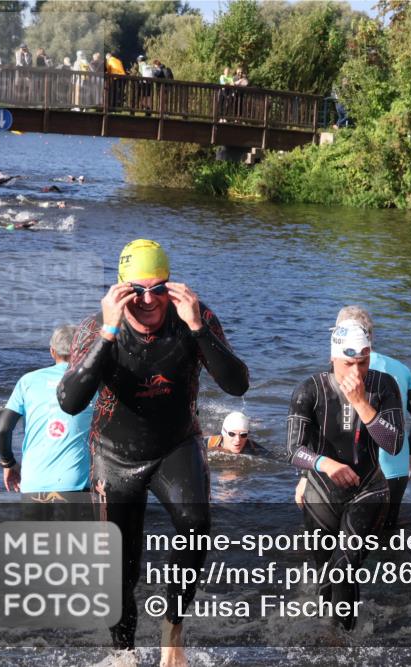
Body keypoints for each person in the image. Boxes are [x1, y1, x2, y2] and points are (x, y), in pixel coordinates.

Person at [58, 239, 249, 664]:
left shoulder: (194, 319)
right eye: (135, 291)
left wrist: (198, 327)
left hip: (176, 444)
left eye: (158, 288)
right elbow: (70, 401)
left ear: (172, 287)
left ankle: (172, 635)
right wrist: (108, 332)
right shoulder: (97, 326)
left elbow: (237, 384)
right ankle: (124, 651)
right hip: (114, 455)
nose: (147, 301)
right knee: (119, 565)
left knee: (196, 521)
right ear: (119, 290)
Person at [286, 319, 404, 629]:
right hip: (322, 491)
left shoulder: (383, 385)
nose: (356, 372)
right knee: (326, 572)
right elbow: (293, 450)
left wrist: (362, 403)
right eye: (348, 363)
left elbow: (393, 444)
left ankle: (343, 644)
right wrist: (326, 464)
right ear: (333, 358)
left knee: (344, 566)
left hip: (369, 488)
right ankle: (330, 633)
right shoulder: (309, 390)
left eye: (362, 363)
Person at [295, 306, 411, 528]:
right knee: (385, 539)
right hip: (396, 470)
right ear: (371, 334)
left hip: (352, 474)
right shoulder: (401, 369)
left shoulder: (342, 369)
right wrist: (410, 451)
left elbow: (320, 430)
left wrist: (304, 476)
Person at [0, 325, 93, 495]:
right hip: (76, 484)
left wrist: (8, 463)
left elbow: (3, 429)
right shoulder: (93, 383)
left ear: (52, 352)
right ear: (83, 351)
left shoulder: (27, 381)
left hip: (32, 484)